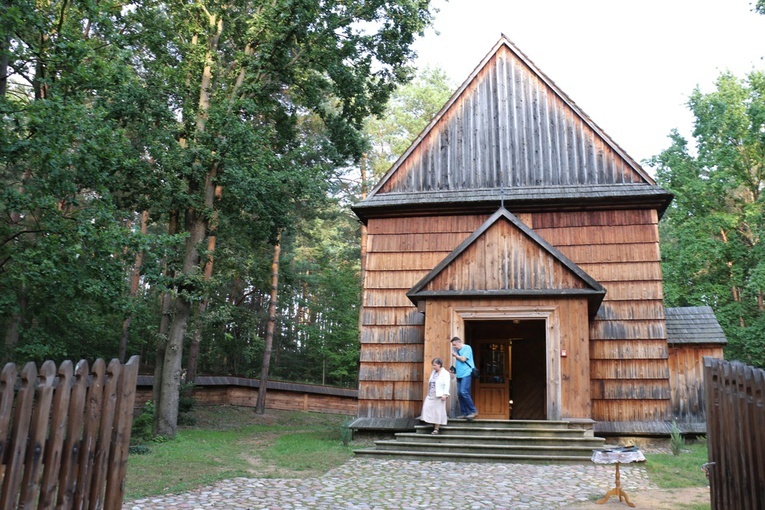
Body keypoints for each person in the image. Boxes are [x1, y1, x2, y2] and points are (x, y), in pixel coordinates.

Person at [420, 357, 451, 434]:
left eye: (435, 365)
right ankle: (431, 422)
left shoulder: (445, 373)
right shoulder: (433, 372)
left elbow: (446, 385)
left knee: (438, 412)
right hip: (431, 394)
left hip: (439, 395)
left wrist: (445, 394)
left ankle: (436, 429)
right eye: (433, 365)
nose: (433, 367)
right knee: (426, 408)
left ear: (439, 365)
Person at [451, 336, 478, 420]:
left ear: (459, 342)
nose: (454, 346)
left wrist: (455, 356)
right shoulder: (457, 351)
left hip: (466, 373)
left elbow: (463, 359)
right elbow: (459, 363)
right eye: (453, 345)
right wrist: (454, 369)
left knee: (463, 392)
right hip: (459, 374)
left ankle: (473, 411)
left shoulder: (467, 348)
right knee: (459, 393)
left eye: (455, 344)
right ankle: (464, 413)